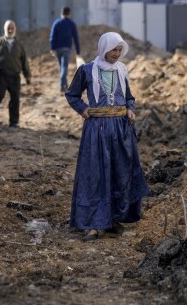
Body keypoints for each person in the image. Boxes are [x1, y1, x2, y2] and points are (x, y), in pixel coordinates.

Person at [65, 31, 150, 242]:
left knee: (119, 173)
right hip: (97, 130)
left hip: (121, 131)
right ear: (104, 48)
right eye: (113, 49)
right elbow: (72, 95)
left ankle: (114, 220)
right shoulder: (86, 70)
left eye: (120, 50)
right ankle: (93, 224)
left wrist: (130, 109)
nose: (116, 53)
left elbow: (129, 97)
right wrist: (84, 109)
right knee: (96, 175)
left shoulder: (122, 70)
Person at [0, 20, 31, 128]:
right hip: (1, 75)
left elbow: (24, 61)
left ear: (15, 30)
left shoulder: (19, 45)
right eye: (8, 28)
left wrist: (27, 75)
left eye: (12, 28)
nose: (10, 30)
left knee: (15, 98)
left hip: (14, 76)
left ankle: (13, 122)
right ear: (4, 29)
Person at [49, 7, 81, 93]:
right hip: (66, 48)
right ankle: (62, 86)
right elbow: (75, 38)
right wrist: (78, 50)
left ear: (61, 13)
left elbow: (52, 36)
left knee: (61, 67)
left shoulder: (56, 23)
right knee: (64, 67)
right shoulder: (71, 24)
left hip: (57, 49)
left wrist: (52, 48)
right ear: (69, 14)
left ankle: (64, 84)